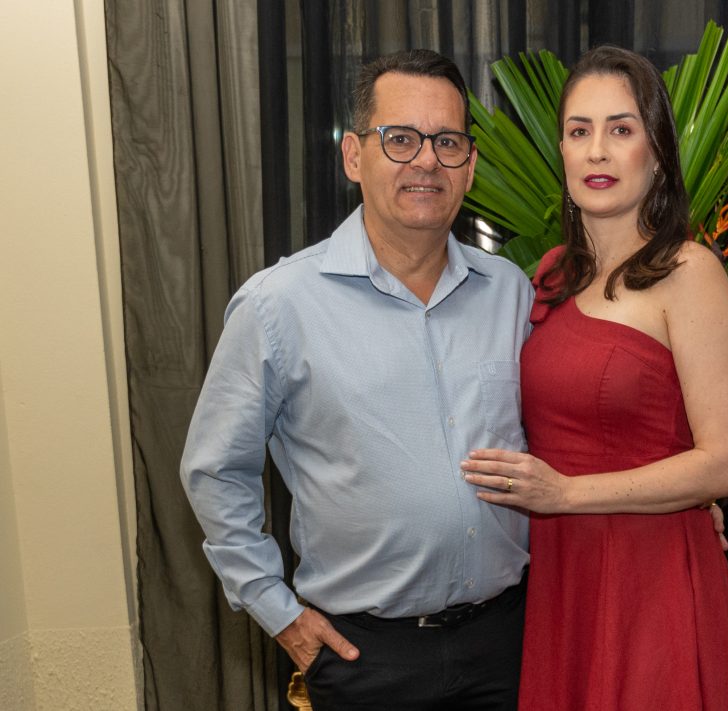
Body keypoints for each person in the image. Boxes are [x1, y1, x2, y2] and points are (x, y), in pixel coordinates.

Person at [180, 49, 535, 710]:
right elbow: (215, 470)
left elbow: (566, 431)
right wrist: (276, 610)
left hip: (511, 645)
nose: (426, 160)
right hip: (367, 660)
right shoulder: (279, 305)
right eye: (400, 138)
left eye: (447, 141)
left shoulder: (512, 294)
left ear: (469, 164)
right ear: (353, 155)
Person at [460, 46, 728, 710]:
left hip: (653, 585)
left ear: (657, 154)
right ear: (561, 152)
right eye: (579, 130)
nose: (597, 150)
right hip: (563, 577)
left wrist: (567, 493)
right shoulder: (551, 275)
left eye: (621, 129)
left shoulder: (689, 273)